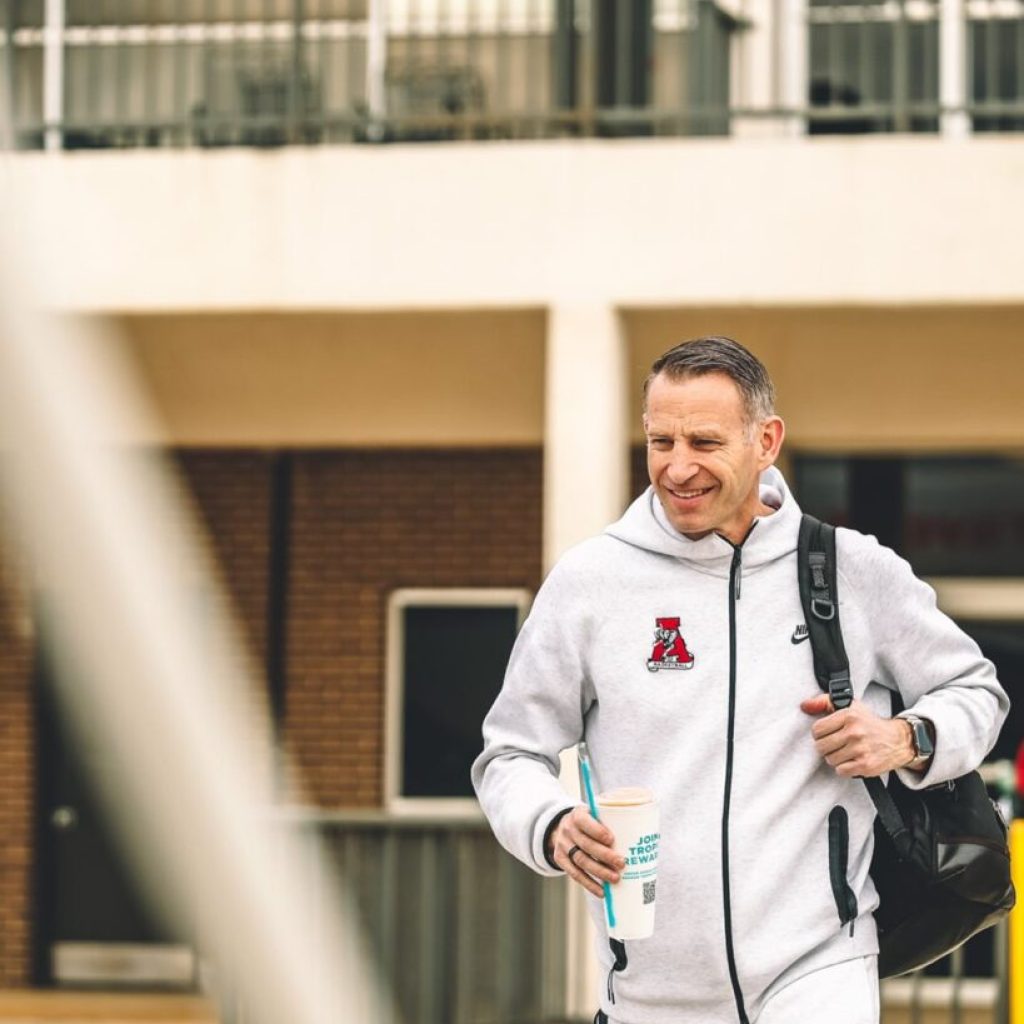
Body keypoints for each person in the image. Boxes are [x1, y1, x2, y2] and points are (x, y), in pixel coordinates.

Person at [471, 337, 1009, 1024]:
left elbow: (976, 692)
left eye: (704, 441)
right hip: (647, 991)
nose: (678, 467)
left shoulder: (851, 569)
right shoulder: (590, 583)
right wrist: (550, 825)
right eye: (660, 442)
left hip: (819, 969)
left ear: (766, 441)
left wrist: (906, 738)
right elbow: (510, 753)